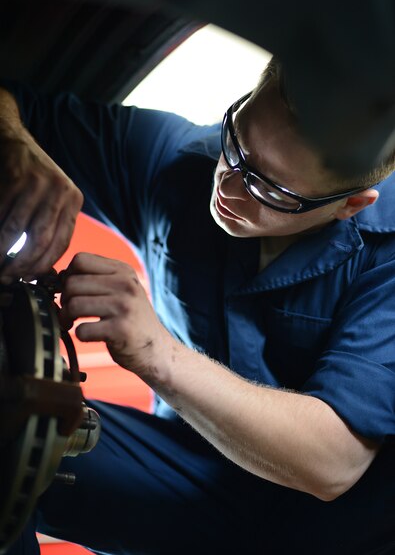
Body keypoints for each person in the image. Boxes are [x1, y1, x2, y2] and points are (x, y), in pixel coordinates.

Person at [1, 58, 395, 554]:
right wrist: (14, 144)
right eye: (237, 145)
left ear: (350, 204)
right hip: (187, 474)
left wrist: (156, 352)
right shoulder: (175, 158)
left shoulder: (388, 259)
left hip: (329, 531)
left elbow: (333, 464)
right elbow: (11, 99)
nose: (228, 188)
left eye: (270, 191)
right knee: (10, 430)